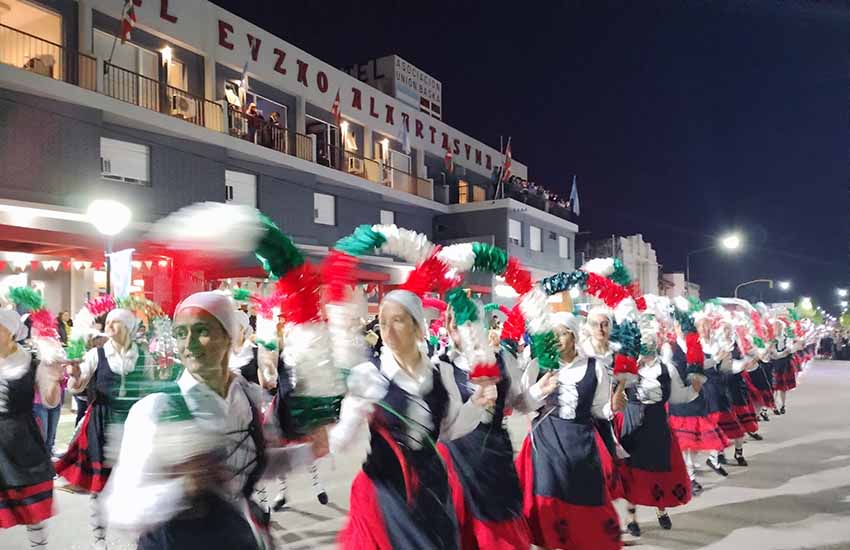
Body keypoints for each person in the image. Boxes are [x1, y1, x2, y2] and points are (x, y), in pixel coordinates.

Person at [102, 292, 322, 550]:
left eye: (201, 331)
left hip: (238, 537)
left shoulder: (249, 396)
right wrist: (182, 488)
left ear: (228, 336)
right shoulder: (156, 409)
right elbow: (120, 508)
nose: (189, 344)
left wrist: (310, 451)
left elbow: (255, 462)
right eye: (181, 334)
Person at [331, 290, 496, 549]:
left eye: (398, 320)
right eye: (383, 322)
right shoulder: (368, 375)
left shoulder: (442, 373)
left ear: (418, 327)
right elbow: (340, 443)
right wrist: (353, 413)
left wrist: (476, 403)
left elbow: (450, 430)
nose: (388, 329)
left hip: (433, 488)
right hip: (388, 494)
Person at [515, 312, 623, 550]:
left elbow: (599, 409)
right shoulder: (538, 365)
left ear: (574, 336)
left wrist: (613, 407)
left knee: (584, 505)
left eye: (562, 333)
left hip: (581, 445)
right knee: (546, 508)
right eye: (551, 335)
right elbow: (521, 405)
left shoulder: (595, 368)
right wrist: (540, 390)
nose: (556, 339)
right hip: (546, 444)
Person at [437, 304, 532, 550]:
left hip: (493, 462)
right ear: (450, 327)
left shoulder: (503, 360)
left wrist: (540, 389)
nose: (463, 330)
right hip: (454, 463)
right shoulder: (441, 365)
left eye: (470, 323)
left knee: (498, 537)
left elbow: (519, 402)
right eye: (456, 323)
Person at [57, 308, 146, 550]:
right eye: (108, 322)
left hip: (133, 421)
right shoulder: (97, 354)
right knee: (99, 484)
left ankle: (139, 536)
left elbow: (149, 386)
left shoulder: (142, 355)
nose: (109, 326)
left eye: (116, 323)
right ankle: (99, 539)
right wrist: (75, 374)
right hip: (102, 420)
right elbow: (78, 384)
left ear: (127, 327)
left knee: (134, 480)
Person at [616, 316, 694, 537]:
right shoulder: (626, 368)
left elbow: (679, 396)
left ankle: (661, 509)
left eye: (649, 343)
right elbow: (614, 396)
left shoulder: (667, 369)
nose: (645, 348)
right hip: (633, 422)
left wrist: (695, 388)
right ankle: (631, 517)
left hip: (657, 423)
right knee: (633, 471)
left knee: (659, 467)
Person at [0, 309, 64, 549]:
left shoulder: (32, 362)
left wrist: (54, 379)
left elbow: (50, 401)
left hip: (22, 438)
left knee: (32, 507)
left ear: (9, 332)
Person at [666, 319, 724, 496]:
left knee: (693, 443)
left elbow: (702, 364)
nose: (683, 330)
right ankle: (689, 477)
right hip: (679, 399)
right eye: (679, 327)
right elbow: (667, 368)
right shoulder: (670, 347)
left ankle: (689, 472)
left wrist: (714, 360)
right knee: (684, 443)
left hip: (696, 398)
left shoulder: (695, 343)